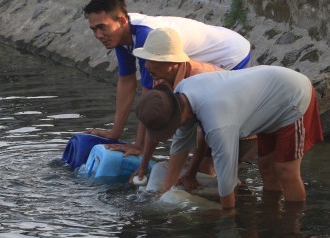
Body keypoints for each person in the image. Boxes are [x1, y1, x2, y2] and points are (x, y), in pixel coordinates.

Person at [134, 65, 324, 209]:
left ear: (177, 116)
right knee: (266, 167)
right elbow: (179, 146)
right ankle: (272, 214)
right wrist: (166, 189)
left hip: (291, 97)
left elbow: (227, 177)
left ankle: (292, 225)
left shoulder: (218, 122)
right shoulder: (181, 94)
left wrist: (226, 214)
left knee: (286, 171)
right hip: (267, 98)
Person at [83, 0, 251, 154]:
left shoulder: (146, 35)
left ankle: (219, 170)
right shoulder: (120, 33)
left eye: (102, 27)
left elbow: (150, 94)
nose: (98, 35)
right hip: (206, 54)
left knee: (208, 122)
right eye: (93, 29)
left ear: (121, 21)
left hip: (229, 56)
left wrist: (138, 146)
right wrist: (114, 134)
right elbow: (127, 82)